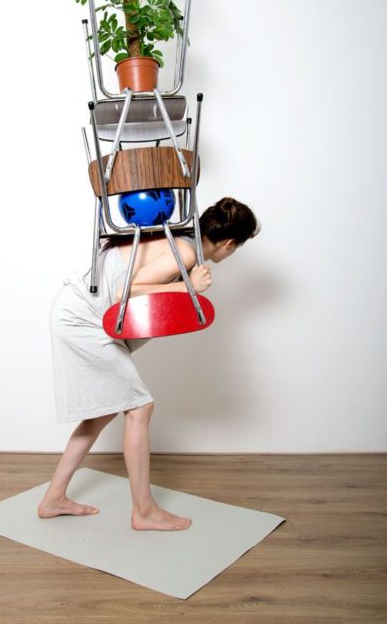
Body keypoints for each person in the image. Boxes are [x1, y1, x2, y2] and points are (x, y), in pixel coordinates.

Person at [38, 196, 260, 531]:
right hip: (82, 320)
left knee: (104, 412)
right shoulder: (185, 250)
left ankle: (54, 498)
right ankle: (144, 512)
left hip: (83, 315)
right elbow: (125, 291)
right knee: (140, 408)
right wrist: (189, 287)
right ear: (229, 243)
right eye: (237, 247)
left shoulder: (182, 241)